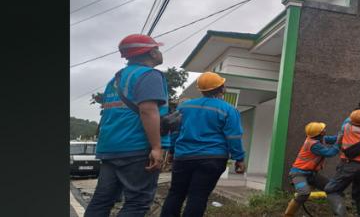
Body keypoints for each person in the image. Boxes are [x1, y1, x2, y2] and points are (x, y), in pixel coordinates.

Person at [85, 34, 170, 217]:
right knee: (137, 202)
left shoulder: (115, 80)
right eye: (157, 48)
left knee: (102, 201)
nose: (159, 51)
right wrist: (156, 147)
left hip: (110, 148)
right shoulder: (149, 75)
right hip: (136, 149)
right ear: (152, 52)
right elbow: (148, 110)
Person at [160, 72, 245, 217]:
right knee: (198, 196)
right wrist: (239, 158)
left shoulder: (185, 107)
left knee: (176, 193)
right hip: (212, 159)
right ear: (222, 88)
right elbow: (234, 136)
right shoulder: (228, 109)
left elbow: (175, 132)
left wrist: (172, 152)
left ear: (202, 90)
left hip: (183, 157)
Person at [324, 109, 360, 217]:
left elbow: (348, 121)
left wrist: (357, 111)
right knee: (359, 194)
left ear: (352, 121)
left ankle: (341, 214)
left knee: (331, 190)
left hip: (348, 165)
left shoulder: (347, 128)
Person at [284, 122, 340, 216]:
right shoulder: (313, 144)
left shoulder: (321, 138)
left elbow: (334, 139)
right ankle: (287, 215)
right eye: (323, 130)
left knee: (333, 189)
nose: (325, 130)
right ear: (320, 133)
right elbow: (330, 153)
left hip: (311, 174)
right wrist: (339, 142)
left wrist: (343, 134)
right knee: (304, 194)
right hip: (299, 173)